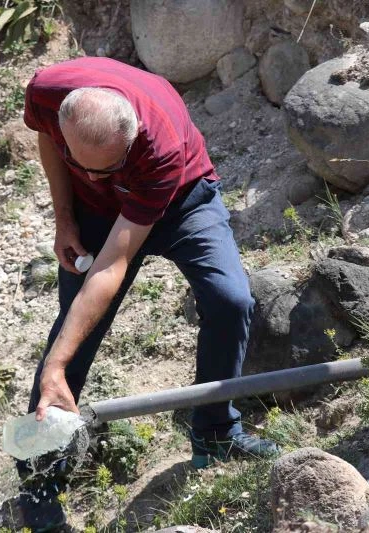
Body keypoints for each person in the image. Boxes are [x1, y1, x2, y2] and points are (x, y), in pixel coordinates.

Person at [15, 56, 279, 531]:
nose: (95, 177)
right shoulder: (48, 92)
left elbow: (112, 263)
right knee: (72, 337)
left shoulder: (160, 145)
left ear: (133, 136)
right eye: (84, 165)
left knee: (230, 301)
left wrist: (53, 363)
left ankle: (216, 432)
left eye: (108, 167)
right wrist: (65, 216)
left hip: (180, 201)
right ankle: (38, 484)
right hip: (95, 216)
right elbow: (49, 145)